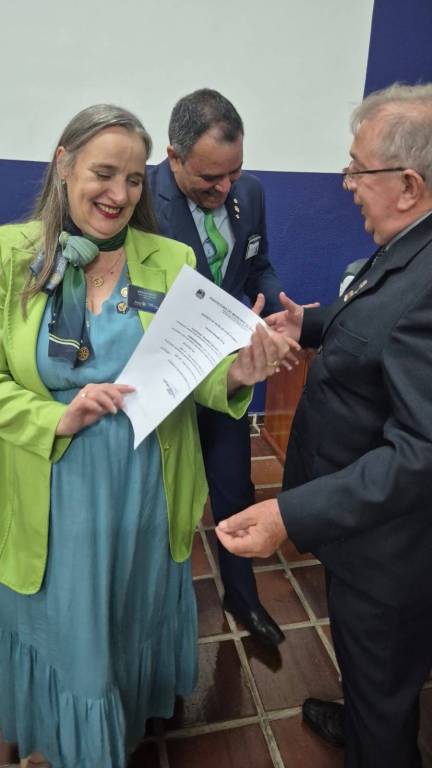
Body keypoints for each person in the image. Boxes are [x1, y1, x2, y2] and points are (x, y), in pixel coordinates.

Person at [0, 104, 297, 768]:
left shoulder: (169, 258)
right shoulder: (9, 256)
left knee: (129, 610)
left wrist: (237, 372)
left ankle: (127, 716)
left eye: (134, 179)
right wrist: (55, 417)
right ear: (63, 164)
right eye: (104, 174)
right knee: (69, 625)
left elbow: (191, 371)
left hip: (146, 483)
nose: (119, 194)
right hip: (54, 485)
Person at [216, 82, 432, 768]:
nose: (346, 184)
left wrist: (289, 513)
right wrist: (306, 324)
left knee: (383, 678)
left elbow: (419, 453)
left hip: (391, 551)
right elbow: (377, 310)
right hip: (363, 533)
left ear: (408, 185)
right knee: (370, 674)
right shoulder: (411, 246)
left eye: (357, 169)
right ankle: (363, 716)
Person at [148, 88, 288, 647]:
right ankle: (158, 611)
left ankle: (243, 596)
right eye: (210, 178)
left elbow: (257, 263)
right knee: (161, 503)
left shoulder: (248, 192)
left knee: (233, 487)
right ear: (173, 157)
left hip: (228, 377)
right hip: (165, 381)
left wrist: (277, 303)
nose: (225, 188)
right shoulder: (139, 202)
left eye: (234, 172)